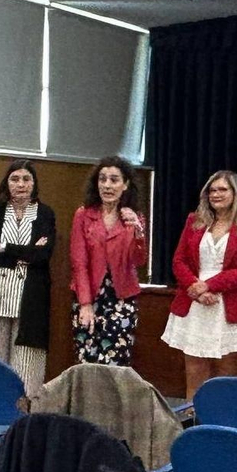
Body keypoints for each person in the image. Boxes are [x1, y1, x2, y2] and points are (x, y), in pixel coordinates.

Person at [162, 171, 237, 397]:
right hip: (194, 302)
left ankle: (222, 427)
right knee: (195, 373)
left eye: (222, 190)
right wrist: (196, 290)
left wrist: (210, 285)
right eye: (212, 190)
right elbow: (179, 261)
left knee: (225, 376)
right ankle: (193, 425)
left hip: (228, 306)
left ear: (235, 193)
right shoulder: (194, 221)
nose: (216, 194)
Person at [0, 159, 57, 397]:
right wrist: (26, 251)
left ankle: (24, 415)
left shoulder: (44, 213)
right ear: (6, 183)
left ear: (34, 183)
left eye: (26, 179)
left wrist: (4, 248)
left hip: (30, 302)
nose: (21, 184)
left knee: (27, 370)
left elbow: (43, 256)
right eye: (15, 179)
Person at [69, 156, 147, 366]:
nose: (107, 185)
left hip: (121, 297)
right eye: (102, 179)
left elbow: (138, 260)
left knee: (116, 362)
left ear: (125, 185)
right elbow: (79, 262)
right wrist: (85, 304)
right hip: (89, 295)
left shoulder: (134, 217)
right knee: (87, 360)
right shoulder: (83, 215)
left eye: (114, 180)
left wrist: (137, 231)